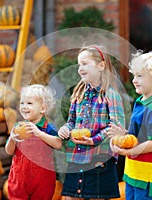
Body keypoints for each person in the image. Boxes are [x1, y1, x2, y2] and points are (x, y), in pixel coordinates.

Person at [58, 44, 126, 200]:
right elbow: (72, 121)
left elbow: (116, 128)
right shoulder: (79, 93)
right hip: (77, 156)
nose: (80, 68)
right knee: (70, 197)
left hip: (99, 158)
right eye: (79, 64)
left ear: (101, 66)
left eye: (85, 63)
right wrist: (65, 129)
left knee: (95, 196)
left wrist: (94, 140)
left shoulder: (111, 95)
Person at [108, 50, 152, 200]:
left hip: (146, 175)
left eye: (140, 76)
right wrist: (124, 135)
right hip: (134, 171)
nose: (134, 80)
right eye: (134, 75)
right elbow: (140, 136)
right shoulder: (141, 102)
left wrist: (127, 152)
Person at [5, 84, 62, 200]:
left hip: (42, 178)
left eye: (29, 103)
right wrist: (12, 138)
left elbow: (58, 144)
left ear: (43, 108)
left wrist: (39, 133)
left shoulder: (47, 128)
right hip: (20, 177)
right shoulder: (18, 127)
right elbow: (9, 151)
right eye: (22, 103)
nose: (24, 107)